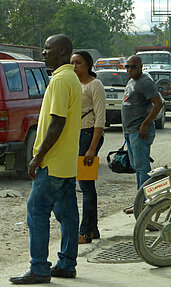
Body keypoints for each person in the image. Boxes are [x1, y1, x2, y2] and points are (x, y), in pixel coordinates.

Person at [9, 34, 82, 284]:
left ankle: (39, 268)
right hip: (66, 162)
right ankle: (67, 264)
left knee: (36, 211)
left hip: (52, 163)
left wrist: (37, 157)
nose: (43, 52)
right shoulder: (71, 78)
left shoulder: (61, 80)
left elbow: (57, 122)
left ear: (61, 51)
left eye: (47, 49)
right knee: (68, 214)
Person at [70, 51, 106, 244]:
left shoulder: (95, 85)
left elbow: (100, 119)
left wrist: (92, 148)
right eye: (72, 63)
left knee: (85, 186)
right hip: (76, 136)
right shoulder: (75, 84)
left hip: (89, 136)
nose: (75, 67)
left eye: (79, 63)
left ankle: (85, 232)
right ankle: (92, 230)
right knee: (85, 185)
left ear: (88, 65)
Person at [122, 56, 163, 214]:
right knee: (137, 168)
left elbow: (158, 104)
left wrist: (145, 124)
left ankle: (145, 203)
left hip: (139, 131)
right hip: (130, 131)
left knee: (142, 168)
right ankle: (140, 201)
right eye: (127, 67)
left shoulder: (145, 82)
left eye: (133, 67)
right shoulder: (132, 81)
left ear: (141, 67)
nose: (129, 70)